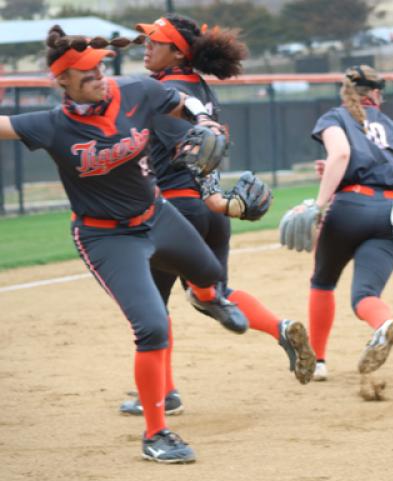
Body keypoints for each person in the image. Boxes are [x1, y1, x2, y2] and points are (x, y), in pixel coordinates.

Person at [0, 25, 249, 464]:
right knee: (152, 326)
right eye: (84, 72)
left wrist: (204, 120)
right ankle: (157, 435)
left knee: (210, 274)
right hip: (106, 236)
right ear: (63, 80)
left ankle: (211, 299)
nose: (97, 76)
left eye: (98, 67)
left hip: (157, 214)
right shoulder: (51, 125)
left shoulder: (134, 91)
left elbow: (179, 100)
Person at [118, 15, 315, 418]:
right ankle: (280, 328)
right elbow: (205, 155)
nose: (146, 46)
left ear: (177, 51)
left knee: (152, 307)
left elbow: (188, 155)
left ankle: (162, 394)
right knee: (213, 295)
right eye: (145, 40)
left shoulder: (165, 91)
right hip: (208, 211)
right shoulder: (199, 89)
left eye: (154, 41)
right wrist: (217, 202)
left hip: (172, 210)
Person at [279, 65, 393, 382]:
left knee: (323, 281)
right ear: (376, 94)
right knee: (365, 295)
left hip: (351, 207)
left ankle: (320, 362)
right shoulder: (392, 126)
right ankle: (383, 324)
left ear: (346, 91)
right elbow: (380, 166)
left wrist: (319, 202)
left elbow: (341, 154)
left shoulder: (336, 116)